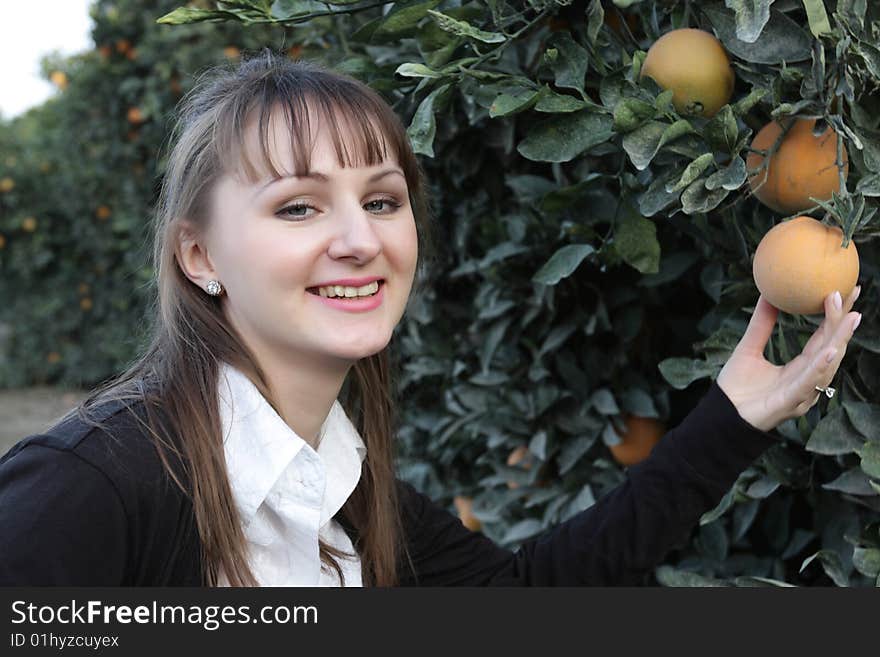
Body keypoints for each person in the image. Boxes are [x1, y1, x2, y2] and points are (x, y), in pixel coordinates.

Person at [0, 50, 862, 587]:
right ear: (199, 256)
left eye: (382, 199)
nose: (357, 240)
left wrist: (735, 413)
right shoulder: (90, 490)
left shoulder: (347, 493)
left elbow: (528, 598)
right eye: (297, 208)